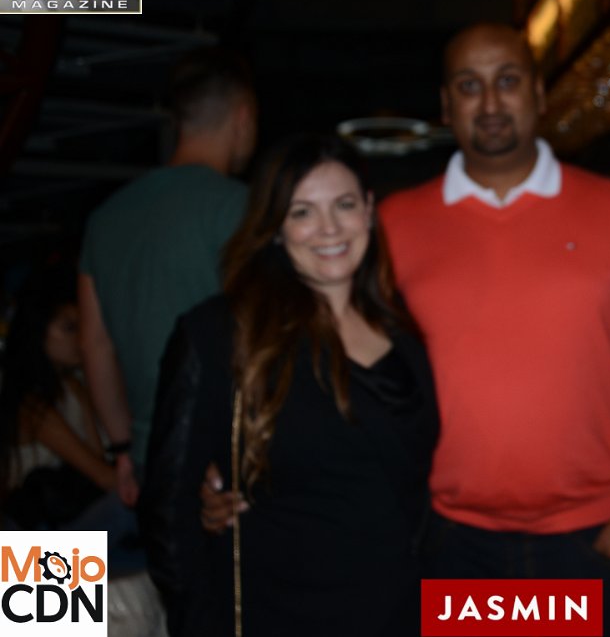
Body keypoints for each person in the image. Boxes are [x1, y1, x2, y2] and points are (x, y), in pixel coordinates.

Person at [378, 23, 610, 636]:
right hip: (452, 546)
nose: (490, 103)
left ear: (539, 94)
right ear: (446, 105)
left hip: (591, 543)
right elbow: (351, 370)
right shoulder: (394, 225)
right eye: (470, 86)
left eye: (507, 81)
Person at [140, 134, 438, 637]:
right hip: (284, 613)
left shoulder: (404, 329)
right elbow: (167, 512)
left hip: (403, 610)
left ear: (369, 211)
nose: (329, 228)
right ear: (276, 227)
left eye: (344, 205)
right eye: (302, 212)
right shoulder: (222, 335)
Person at [79, 47, 258, 506]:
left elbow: (95, 345)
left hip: (151, 458)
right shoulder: (242, 208)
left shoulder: (105, 218)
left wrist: (123, 449)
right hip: (227, 461)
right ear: (243, 116)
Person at [1, 263, 114, 529]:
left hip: (66, 522)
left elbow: (98, 465)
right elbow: (102, 476)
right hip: (29, 536)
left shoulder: (74, 386)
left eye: (83, 326)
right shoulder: (31, 405)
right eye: (69, 328)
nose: (81, 337)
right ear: (38, 331)